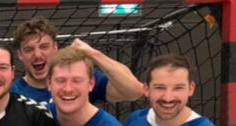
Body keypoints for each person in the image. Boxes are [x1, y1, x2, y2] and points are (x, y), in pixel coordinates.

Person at [11, 17, 144, 105]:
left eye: (44, 47)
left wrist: (92, 54)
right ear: (20, 55)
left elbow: (135, 91)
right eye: (29, 49)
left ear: (55, 48)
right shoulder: (13, 94)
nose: (37, 55)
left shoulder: (79, 80)